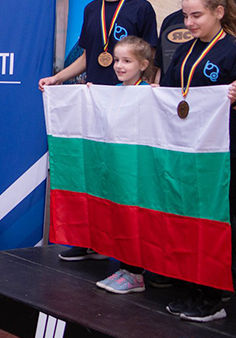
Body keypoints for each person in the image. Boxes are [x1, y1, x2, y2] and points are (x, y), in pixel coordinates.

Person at [39, 0, 158, 260]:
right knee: (92, 170)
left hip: (127, 106)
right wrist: (58, 78)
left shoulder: (141, 8)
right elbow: (90, 55)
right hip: (93, 103)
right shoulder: (92, 9)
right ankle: (86, 239)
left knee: (122, 174)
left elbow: (151, 58)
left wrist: (146, 92)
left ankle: (121, 246)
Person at [160, 0, 236, 322]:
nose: (189, 23)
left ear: (219, 12)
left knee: (216, 222)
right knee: (190, 222)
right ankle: (194, 288)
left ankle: (214, 298)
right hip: (189, 150)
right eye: (186, 15)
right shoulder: (186, 51)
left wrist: (234, 99)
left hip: (226, 153)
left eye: (197, 15)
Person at [93, 36, 152, 294]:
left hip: (138, 170)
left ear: (143, 64)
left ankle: (135, 273)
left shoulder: (150, 93)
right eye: (117, 60)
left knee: (135, 217)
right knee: (120, 216)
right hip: (119, 168)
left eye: (127, 61)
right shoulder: (114, 91)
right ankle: (125, 269)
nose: (119, 65)